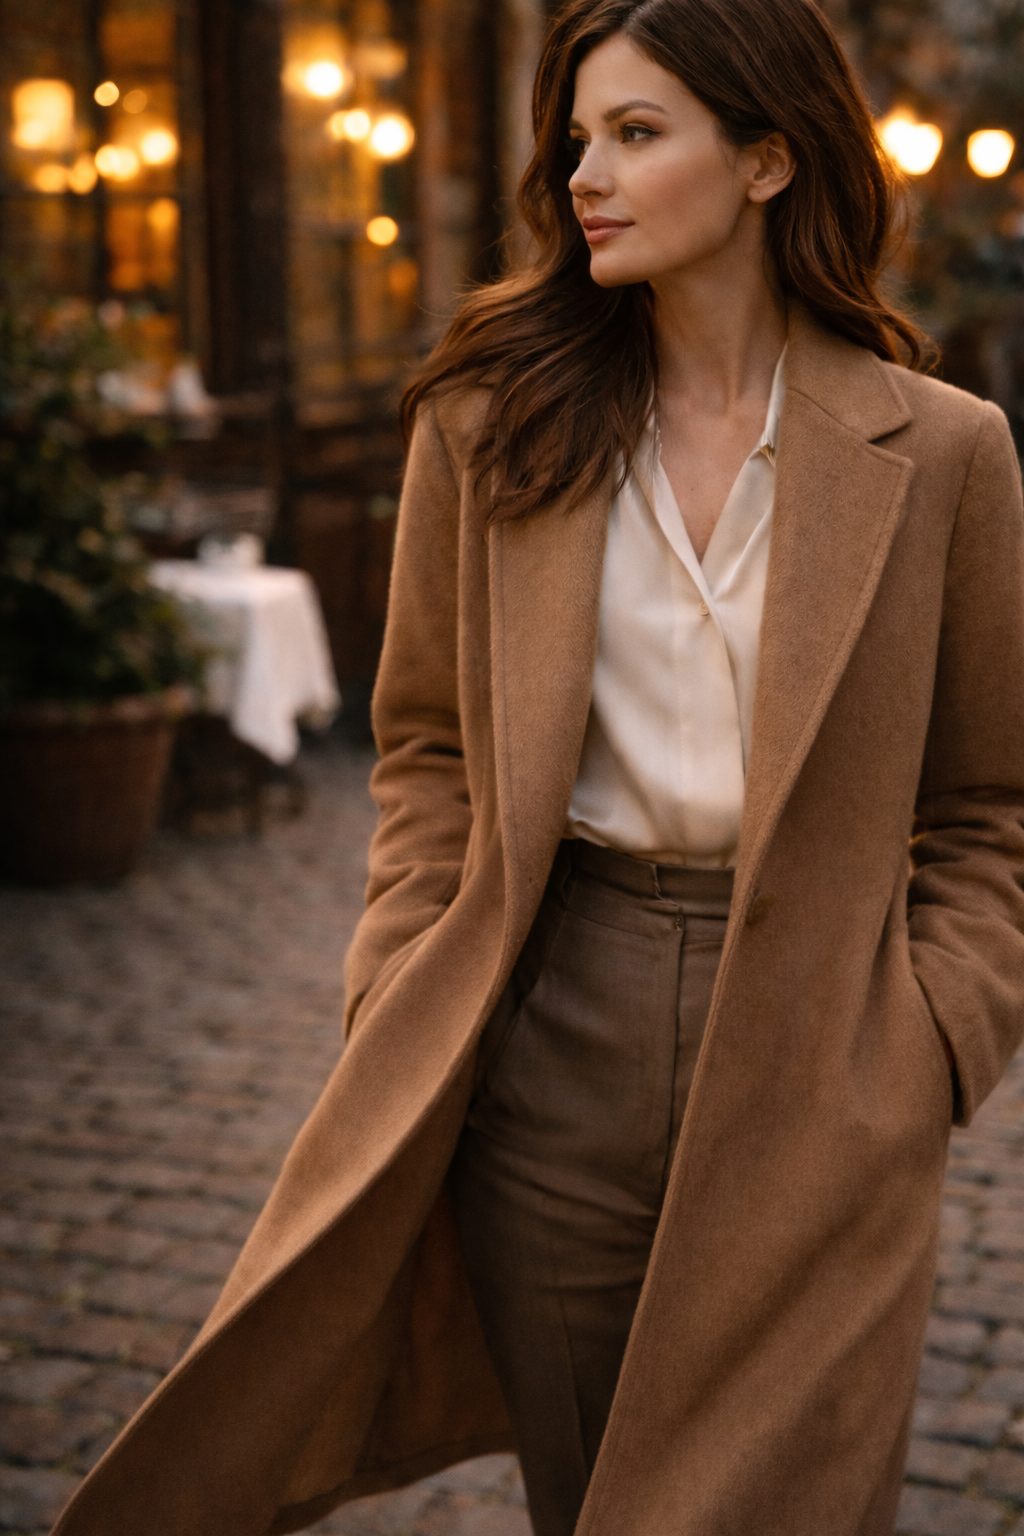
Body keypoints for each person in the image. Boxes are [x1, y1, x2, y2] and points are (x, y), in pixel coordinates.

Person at [51, 1, 1024, 1534]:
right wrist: (403, 967)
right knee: (597, 1501)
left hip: (828, 1047)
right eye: (579, 137)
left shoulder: (948, 451)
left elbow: (987, 805)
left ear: (769, 160)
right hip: (556, 1017)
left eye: (637, 135)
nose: (586, 173)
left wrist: (932, 1042)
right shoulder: (492, 420)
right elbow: (426, 740)